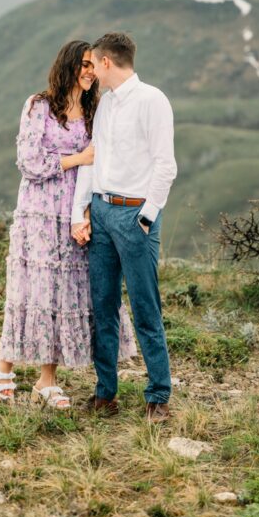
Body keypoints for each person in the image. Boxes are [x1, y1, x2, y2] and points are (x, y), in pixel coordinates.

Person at [0, 40, 136, 409]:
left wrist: (85, 211)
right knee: (32, 292)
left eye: (93, 66)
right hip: (38, 215)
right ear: (68, 65)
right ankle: (2, 360)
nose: (89, 71)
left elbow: (97, 163)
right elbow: (29, 162)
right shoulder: (38, 105)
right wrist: (77, 158)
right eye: (83, 64)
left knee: (63, 295)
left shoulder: (92, 110)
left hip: (74, 213)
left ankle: (46, 380)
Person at [71, 31, 177, 423]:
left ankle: (158, 395)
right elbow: (91, 161)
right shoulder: (104, 106)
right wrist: (79, 212)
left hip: (135, 216)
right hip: (100, 212)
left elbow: (166, 165)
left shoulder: (152, 101)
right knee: (103, 306)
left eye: (94, 64)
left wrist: (147, 217)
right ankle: (105, 393)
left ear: (106, 63)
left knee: (145, 306)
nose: (92, 71)